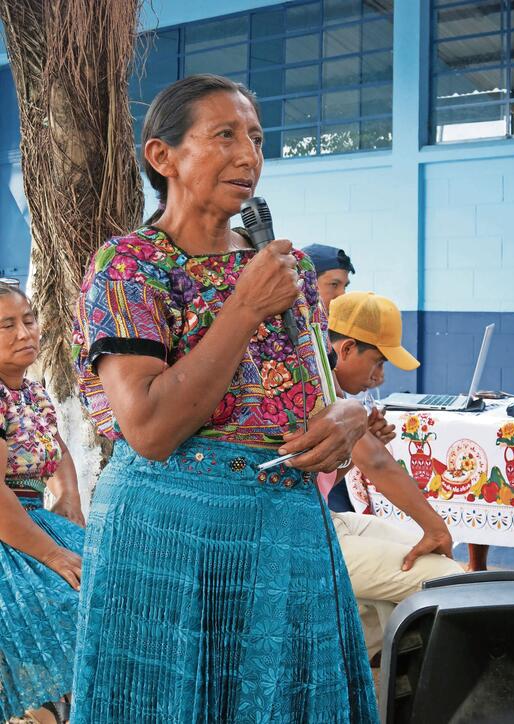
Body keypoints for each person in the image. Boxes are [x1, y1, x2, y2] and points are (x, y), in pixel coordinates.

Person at [71, 74, 378, 723]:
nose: (249, 156)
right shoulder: (128, 267)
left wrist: (350, 417)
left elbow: (320, 392)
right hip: (170, 539)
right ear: (163, 156)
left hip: (287, 532)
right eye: (225, 136)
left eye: (257, 139)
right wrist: (243, 308)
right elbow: (149, 429)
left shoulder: (285, 272)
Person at [327, 291, 464, 659]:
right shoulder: (322, 390)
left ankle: (381, 666)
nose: (380, 377)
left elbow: (319, 479)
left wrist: (353, 447)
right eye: (378, 361)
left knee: (425, 560)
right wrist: (436, 528)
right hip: (298, 532)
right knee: (445, 579)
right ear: (347, 349)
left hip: (322, 518)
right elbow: (378, 464)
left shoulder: (333, 389)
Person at [0, 281, 84, 724]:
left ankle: (54, 709)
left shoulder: (32, 392)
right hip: (8, 528)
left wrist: (68, 496)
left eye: (28, 320)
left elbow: (55, 446)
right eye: (6, 325)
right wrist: (51, 553)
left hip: (30, 521)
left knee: (105, 591)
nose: (24, 333)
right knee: (66, 606)